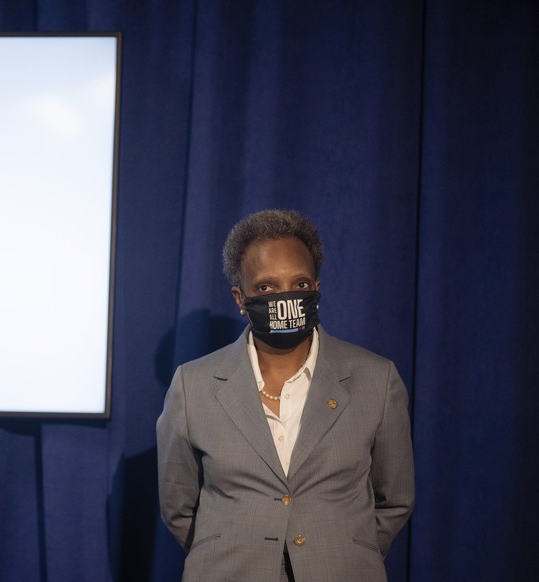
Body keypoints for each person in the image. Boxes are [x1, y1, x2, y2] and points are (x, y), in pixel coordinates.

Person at [156, 209, 414, 581]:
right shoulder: (192, 385)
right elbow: (178, 507)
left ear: (316, 289)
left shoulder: (376, 379)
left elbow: (395, 500)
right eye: (265, 288)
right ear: (240, 298)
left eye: (299, 284)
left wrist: (341, 548)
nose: (285, 298)